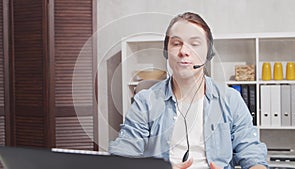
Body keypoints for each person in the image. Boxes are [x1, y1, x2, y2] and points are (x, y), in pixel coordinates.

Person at [109, 12, 268, 169]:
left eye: (194, 43)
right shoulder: (145, 101)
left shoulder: (231, 99)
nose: (184, 51)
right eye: (176, 43)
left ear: (209, 52)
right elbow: (124, 154)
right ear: (166, 51)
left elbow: (252, 152)